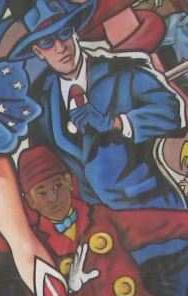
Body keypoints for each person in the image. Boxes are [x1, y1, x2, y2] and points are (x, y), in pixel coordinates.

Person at [12, 0, 186, 212]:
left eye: (64, 33)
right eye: (47, 42)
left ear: (75, 33)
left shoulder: (120, 70)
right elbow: (44, 162)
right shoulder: (41, 99)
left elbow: (171, 111)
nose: (60, 47)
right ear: (38, 51)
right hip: (97, 222)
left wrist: (116, 123)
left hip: (153, 207)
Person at [17, 144, 188, 296]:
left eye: (57, 186)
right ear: (30, 201)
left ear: (69, 182)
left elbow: (155, 224)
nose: (53, 198)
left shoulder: (100, 217)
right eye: (42, 193)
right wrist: (69, 290)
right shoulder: (37, 245)